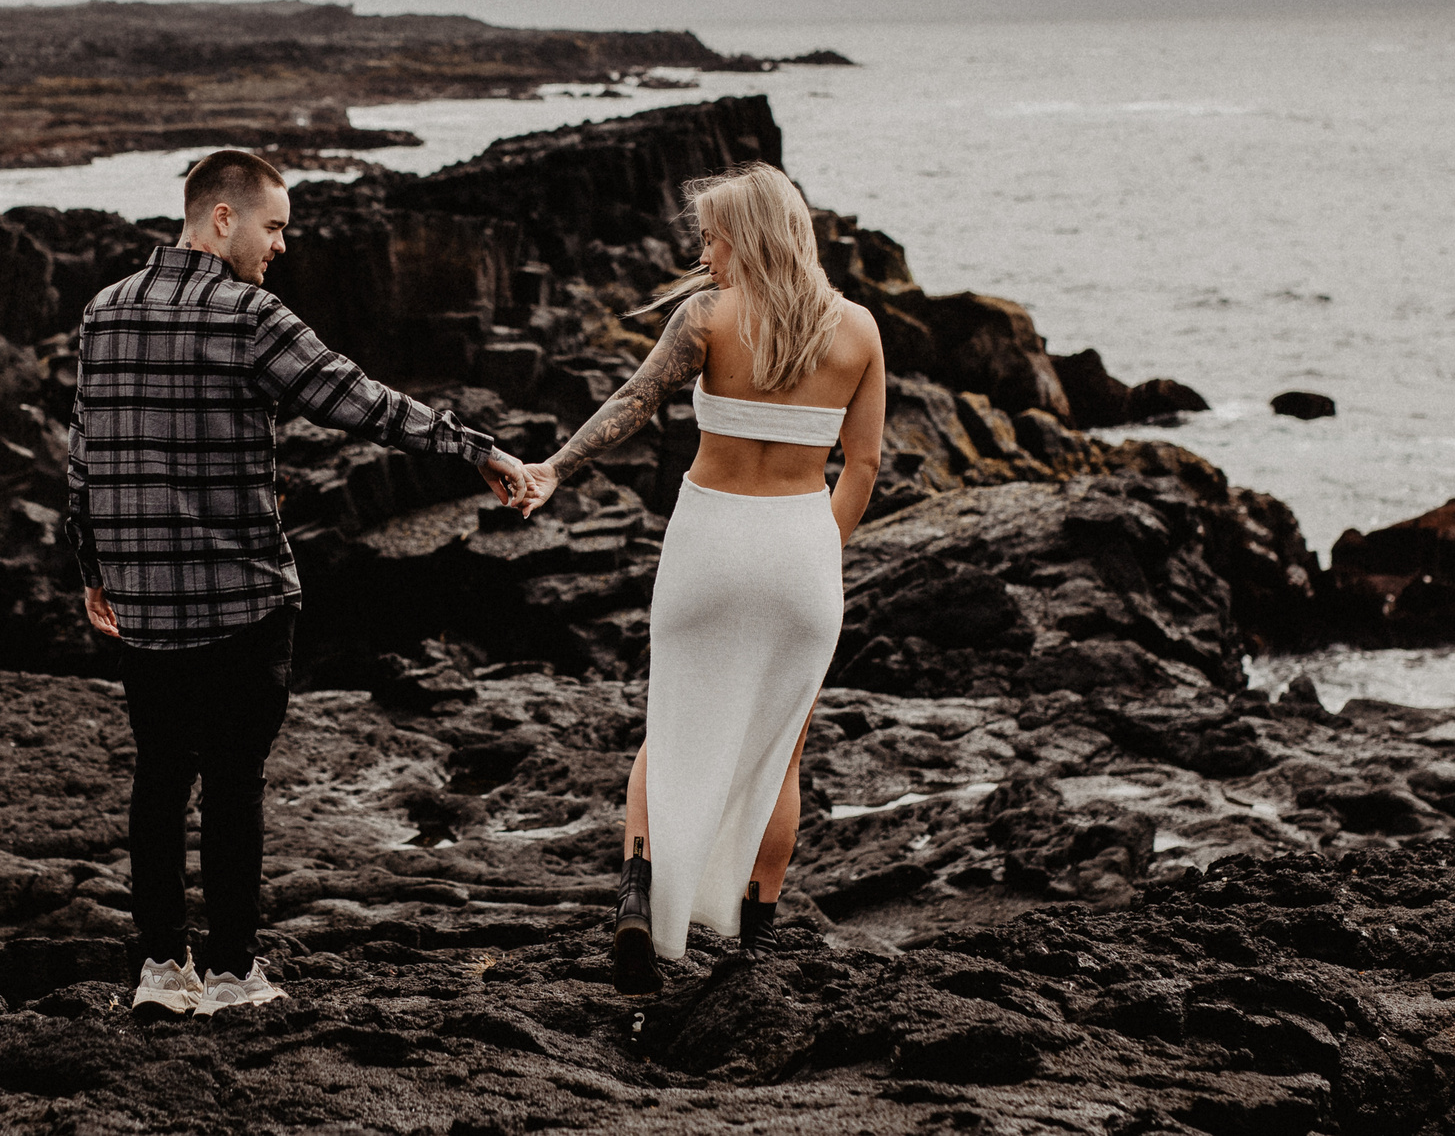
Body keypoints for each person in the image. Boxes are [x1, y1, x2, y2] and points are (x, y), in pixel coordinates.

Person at [69, 148, 529, 1019]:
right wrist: (476, 448)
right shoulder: (250, 316)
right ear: (221, 218)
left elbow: (84, 452)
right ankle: (238, 971)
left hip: (145, 597)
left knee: (161, 774)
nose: (281, 245)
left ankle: (162, 970)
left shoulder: (104, 310)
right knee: (236, 779)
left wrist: (92, 567)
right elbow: (362, 400)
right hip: (243, 593)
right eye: (273, 226)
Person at [509, 162, 884, 995]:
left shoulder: (709, 317)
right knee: (782, 752)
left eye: (712, 235)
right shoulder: (857, 327)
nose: (704, 252)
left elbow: (634, 402)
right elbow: (862, 465)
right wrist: (817, 547)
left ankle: (638, 900)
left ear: (747, 235)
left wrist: (555, 469)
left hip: (711, 541)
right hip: (800, 551)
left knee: (671, 726)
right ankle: (760, 932)